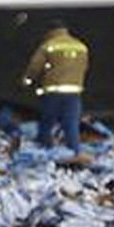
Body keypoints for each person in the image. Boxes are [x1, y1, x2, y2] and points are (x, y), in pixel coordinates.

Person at [22, 18, 89, 150]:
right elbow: (84, 67)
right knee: (71, 125)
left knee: (47, 123)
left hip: (53, 92)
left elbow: (35, 67)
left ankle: (46, 149)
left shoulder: (48, 46)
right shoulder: (81, 46)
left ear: (50, 31)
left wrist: (27, 81)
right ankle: (75, 151)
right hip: (74, 92)